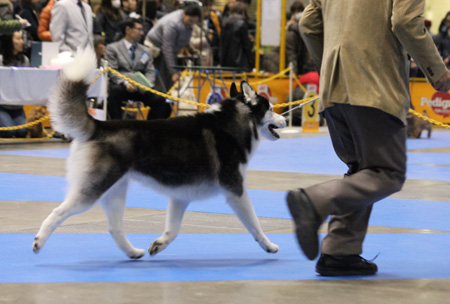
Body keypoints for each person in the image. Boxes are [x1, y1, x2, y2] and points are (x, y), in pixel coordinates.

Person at [286, 0, 450, 277]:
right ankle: (314, 201)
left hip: (333, 87)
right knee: (388, 173)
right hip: (374, 83)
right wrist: (439, 73)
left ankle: (340, 251)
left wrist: (331, 64)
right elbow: (405, 22)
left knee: (362, 170)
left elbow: (308, 24)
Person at [105, 18, 172, 120]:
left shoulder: (146, 51)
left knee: (160, 98)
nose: (142, 33)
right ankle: (117, 126)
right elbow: (112, 70)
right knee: (114, 93)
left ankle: (148, 129)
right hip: (123, 86)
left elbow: (150, 70)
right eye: (139, 29)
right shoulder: (112, 48)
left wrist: (146, 86)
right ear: (128, 30)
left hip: (141, 88)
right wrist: (126, 83)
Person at [145, 3, 201, 91]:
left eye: (194, 22)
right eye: (190, 21)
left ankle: (167, 100)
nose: (191, 24)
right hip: (156, 50)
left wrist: (191, 50)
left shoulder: (188, 22)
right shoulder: (172, 23)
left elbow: (184, 38)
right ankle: (161, 100)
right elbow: (167, 48)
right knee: (161, 81)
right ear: (185, 13)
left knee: (169, 82)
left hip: (168, 51)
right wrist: (173, 72)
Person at [0, 30, 30, 138]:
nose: (22, 42)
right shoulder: (1, 61)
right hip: (2, 106)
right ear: (10, 41)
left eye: (22, 39)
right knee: (8, 132)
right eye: (18, 39)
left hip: (17, 107)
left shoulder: (24, 60)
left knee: (22, 131)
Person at [220, 2, 253, 71]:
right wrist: (251, 62)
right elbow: (246, 45)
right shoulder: (242, 23)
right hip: (239, 63)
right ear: (243, 12)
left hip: (225, 62)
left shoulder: (225, 22)